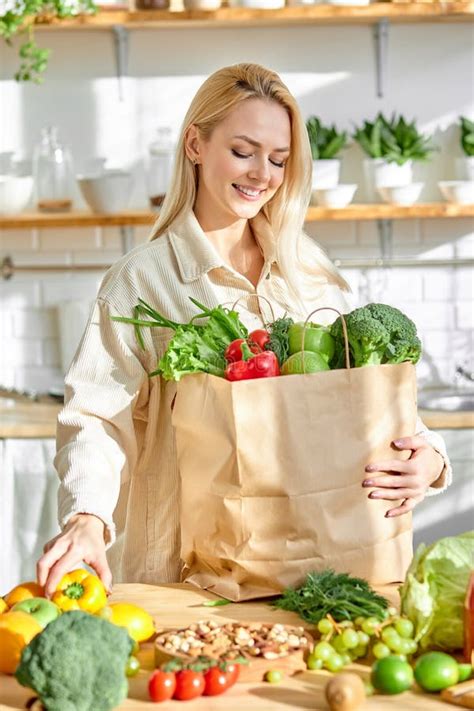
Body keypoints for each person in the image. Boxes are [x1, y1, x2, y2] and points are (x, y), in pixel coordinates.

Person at [37, 63, 451, 597]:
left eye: (279, 159)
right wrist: (87, 516)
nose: (262, 173)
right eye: (243, 151)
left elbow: (366, 405)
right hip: (185, 577)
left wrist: (430, 458)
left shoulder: (309, 275)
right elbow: (96, 419)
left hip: (311, 571)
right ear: (195, 144)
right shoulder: (141, 281)